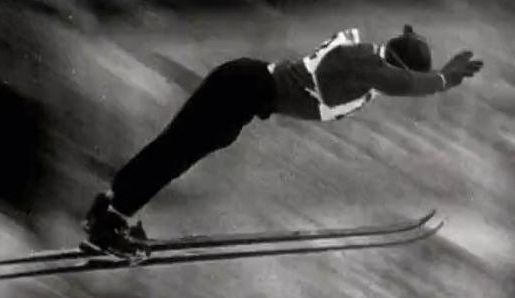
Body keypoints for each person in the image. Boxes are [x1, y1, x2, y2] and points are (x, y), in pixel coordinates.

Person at [83, 24, 483, 255]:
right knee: (176, 152)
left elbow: (399, 82)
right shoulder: (367, 64)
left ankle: (112, 209)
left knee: (178, 151)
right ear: (397, 62)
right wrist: (445, 78)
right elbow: (403, 83)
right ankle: (110, 219)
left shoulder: (366, 69)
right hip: (244, 87)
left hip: (246, 95)